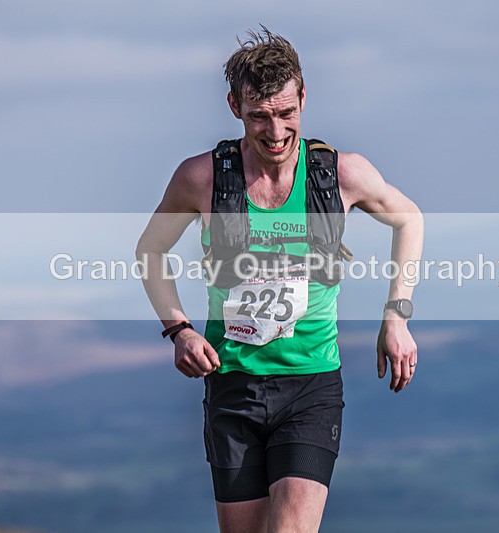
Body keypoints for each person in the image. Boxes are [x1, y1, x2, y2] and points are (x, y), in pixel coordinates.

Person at [136, 27, 423, 532]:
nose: (274, 132)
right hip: (232, 385)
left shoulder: (339, 174)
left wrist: (396, 316)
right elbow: (150, 249)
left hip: (310, 385)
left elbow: (409, 218)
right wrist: (178, 330)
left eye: (286, 113)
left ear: (304, 98)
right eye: (259, 116)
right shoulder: (203, 178)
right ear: (234, 106)